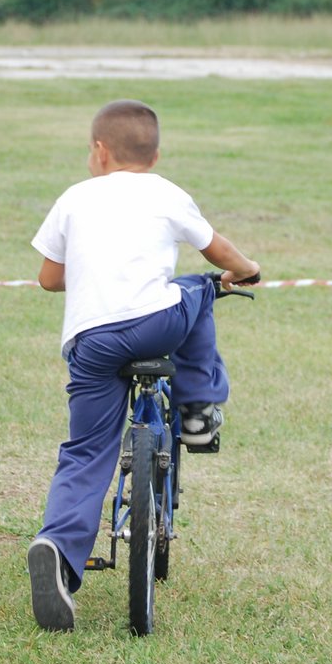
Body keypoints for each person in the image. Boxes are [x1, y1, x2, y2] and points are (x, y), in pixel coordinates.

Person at [26, 99, 260, 632]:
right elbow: (216, 249)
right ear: (155, 155)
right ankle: (198, 409)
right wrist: (247, 270)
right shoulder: (166, 191)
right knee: (199, 288)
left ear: (99, 151)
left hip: (89, 342)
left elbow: (47, 277)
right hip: (156, 324)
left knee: (85, 451)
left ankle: (58, 551)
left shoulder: (74, 198)